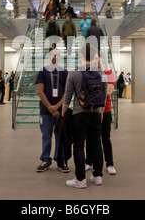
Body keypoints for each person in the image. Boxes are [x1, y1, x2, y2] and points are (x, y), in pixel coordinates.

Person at [62, 43, 106, 188]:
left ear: (80, 56)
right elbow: (104, 97)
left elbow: (67, 98)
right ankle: (97, 176)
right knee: (96, 144)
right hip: (95, 113)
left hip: (79, 114)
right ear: (94, 57)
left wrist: (63, 116)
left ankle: (80, 180)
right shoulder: (101, 74)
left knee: (79, 146)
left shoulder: (74, 73)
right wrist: (100, 114)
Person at [35, 47, 69, 173]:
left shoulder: (64, 73)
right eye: (54, 55)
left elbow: (67, 92)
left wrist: (57, 107)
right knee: (46, 136)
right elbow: (40, 91)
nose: (57, 57)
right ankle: (45, 159)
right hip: (45, 112)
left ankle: (60, 160)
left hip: (60, 112)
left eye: (59, 55)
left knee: (60, 137)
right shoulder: (42, 72)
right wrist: (50, 107)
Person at [85, 51, 116, 175]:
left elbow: (108, 92)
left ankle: (110, 164)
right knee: (90, 138)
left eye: (97, 58)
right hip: (91, 110)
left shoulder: (109, 73)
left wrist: (94, 90)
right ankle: (89, 162)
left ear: (101, 58)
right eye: (93, 58)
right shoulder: (88, 73)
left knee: (105, 138)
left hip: (105, 111)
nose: (94, 60)